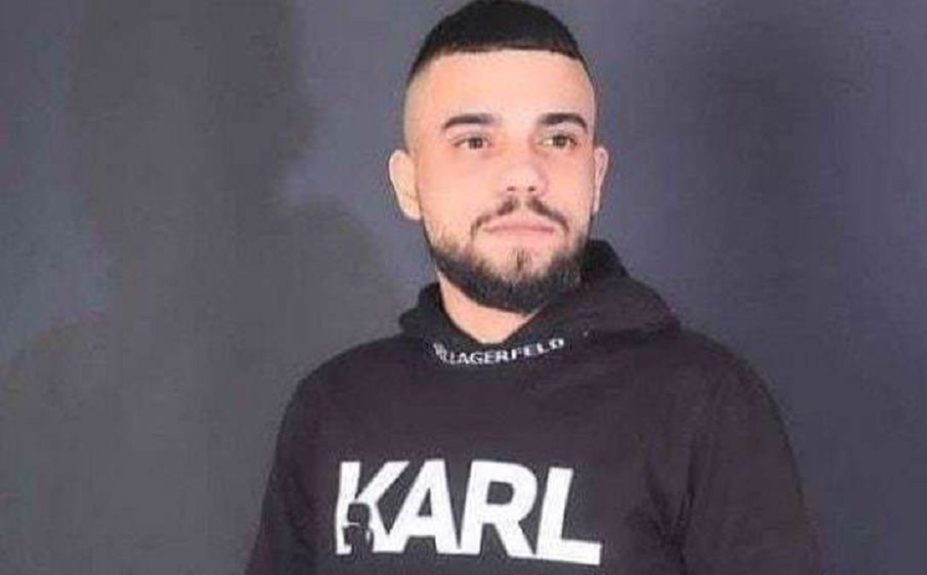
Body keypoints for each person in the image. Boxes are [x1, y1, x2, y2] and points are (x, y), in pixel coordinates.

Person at [246, 1, 821, 573]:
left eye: (558, 140)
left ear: (596, 178)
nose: (524, 174)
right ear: (409, 184)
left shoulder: (704, 402)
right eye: (475, 141)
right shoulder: (333, 408)